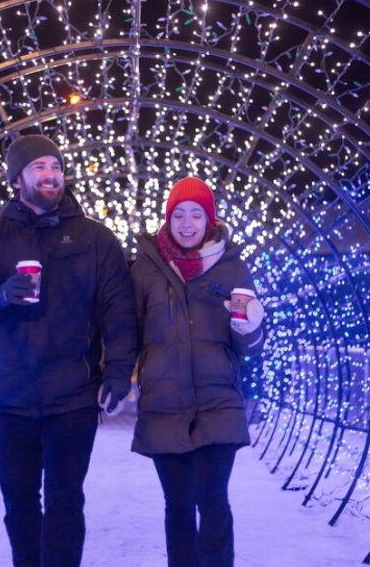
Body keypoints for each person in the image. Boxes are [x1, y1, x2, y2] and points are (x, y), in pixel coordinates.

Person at [0, 134, 138, 567]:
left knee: (66, 501)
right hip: (8, 400)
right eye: (39, 167)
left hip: (72, 397)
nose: (50, 175)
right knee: (20, 506)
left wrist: (119, 372)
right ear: (17, 179)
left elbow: (118, 310)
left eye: (56, 167)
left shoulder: (96, 238)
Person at [130, 177, 265, 567]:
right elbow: (127, 330)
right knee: (177, 506)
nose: (187, 223)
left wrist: (249, 326)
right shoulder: (144, 269)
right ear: (168, 218)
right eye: (179, 214)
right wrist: (117, 375)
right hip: (164, 405)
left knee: (213, 500)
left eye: (196, 214)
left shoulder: (233, 268)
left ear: (210, 219)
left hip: (217, 403)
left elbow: (252, 346)